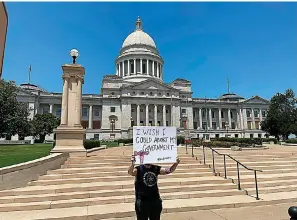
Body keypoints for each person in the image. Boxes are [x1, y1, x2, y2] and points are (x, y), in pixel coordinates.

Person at [128, 155, 180, 220]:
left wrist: (176, 163)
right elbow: (130, 172)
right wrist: (132, 164)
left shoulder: (155, 168)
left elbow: (168, 170)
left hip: (155, 200)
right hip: (142, 201)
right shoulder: (138, 169)